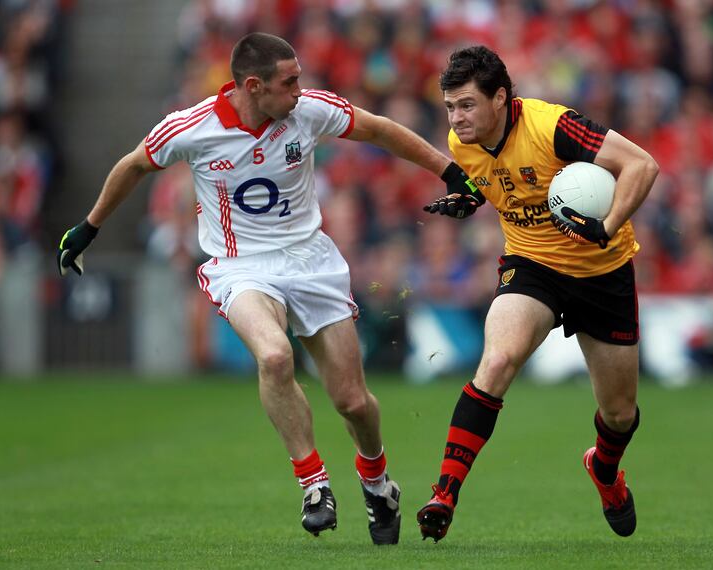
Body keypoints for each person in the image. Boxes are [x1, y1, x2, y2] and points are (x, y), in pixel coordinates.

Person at [56, 32, 480, 545]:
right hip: (241, 266)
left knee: (352, 402)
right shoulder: (192, 128)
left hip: (312, 261)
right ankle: (314, 483)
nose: (301, 89)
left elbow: (379, 129)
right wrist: (90, 227)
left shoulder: (307, 111)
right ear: (253, 86)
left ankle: (377, 482)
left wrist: (449, 171)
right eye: (290, 81)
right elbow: (134, 165)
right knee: (275, 357)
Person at [417, 46, 659, 542]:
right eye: (449, 107)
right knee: (498, 360)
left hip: (602, 271)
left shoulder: (555, 127)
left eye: (466, 105)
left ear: (501, 97)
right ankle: (444, 491)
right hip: (532, 267)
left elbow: (642, 165)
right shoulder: (462, 143)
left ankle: (604, 469)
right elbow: (500, 184)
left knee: (620, 413)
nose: (456, 118)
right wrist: (469, 196)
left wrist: (606, 226)